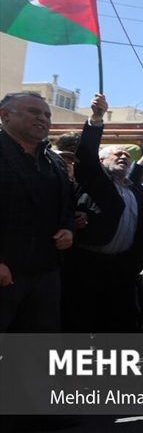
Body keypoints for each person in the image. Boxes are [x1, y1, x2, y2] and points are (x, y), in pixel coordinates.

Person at [67, 93, 143, 333]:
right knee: (81, 323)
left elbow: (136, 176)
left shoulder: (134, 190)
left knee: (116, 325)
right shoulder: (96, 180)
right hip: (86, 266)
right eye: (117, 154)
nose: (123, 158)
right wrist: (96, 119)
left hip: (120, 269)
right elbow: (85, 157)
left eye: (127, 157)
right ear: (101, 160)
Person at [0, 92, 74, 333]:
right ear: (5, 115)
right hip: (5, 272)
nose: (43, 118)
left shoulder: (55, 161)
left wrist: (68, 227)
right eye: (34, 111)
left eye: (47, 114)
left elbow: (66, 205)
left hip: (46, 274)